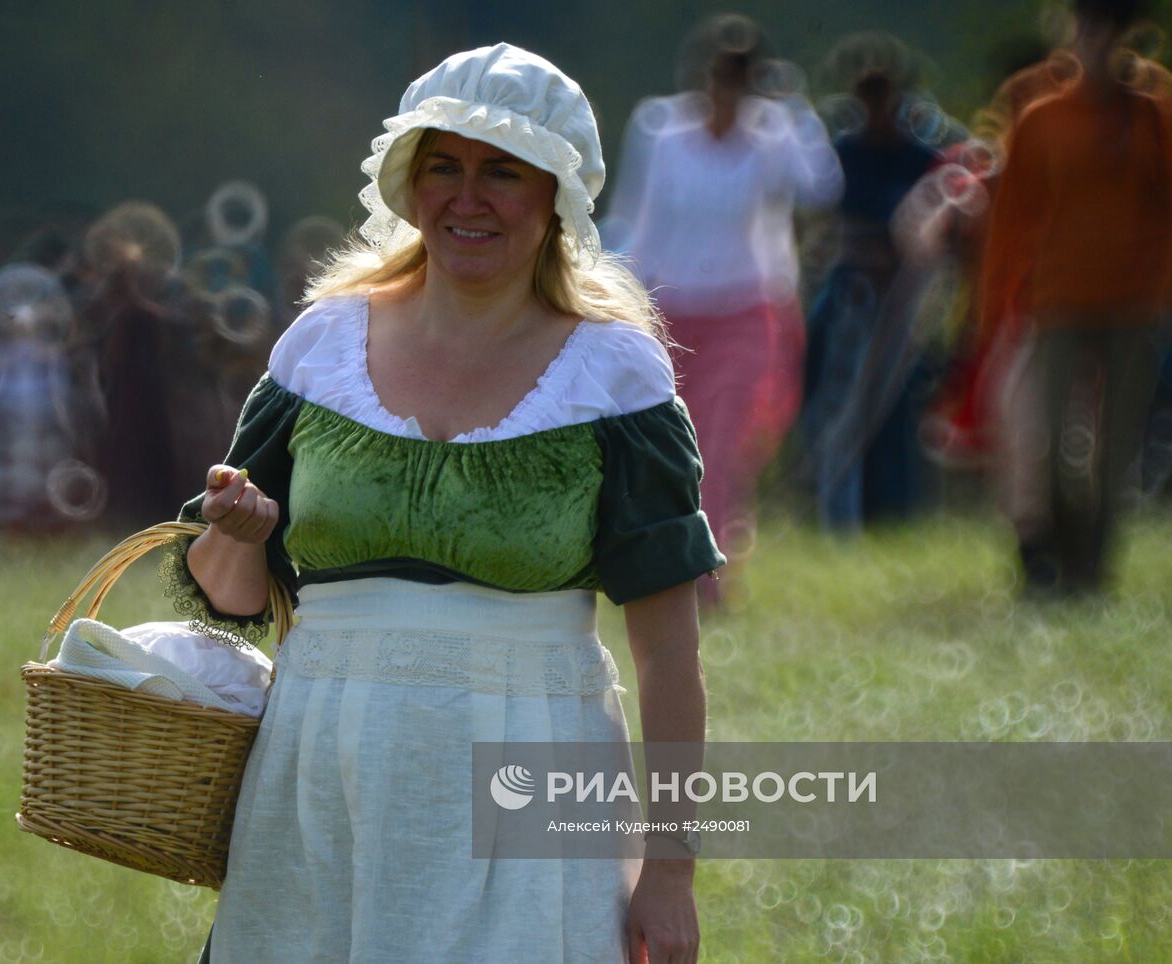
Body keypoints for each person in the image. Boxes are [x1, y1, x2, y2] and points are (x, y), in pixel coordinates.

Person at [161, 43, 725, 962]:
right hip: (325, 770)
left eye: (502, 172)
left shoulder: (614, 376)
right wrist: (241, 535)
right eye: (444, 168)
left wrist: (668, 872)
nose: (468, 198)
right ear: (407, 184)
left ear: (557, 198)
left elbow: (667, 651)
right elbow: (227, 593)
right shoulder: (321, 349)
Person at [604, 14, 841, 601]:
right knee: (672, 439)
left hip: (745, 307)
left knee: (725, 438)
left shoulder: (772, 133)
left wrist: (797, 105)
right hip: (674, 309)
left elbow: (823, 187)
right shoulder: (660, 129)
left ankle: (710, 570)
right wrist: (616, 296)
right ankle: (663, 553)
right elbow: (636, 217)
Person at [979, 0, 1172, 595]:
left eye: (1107, 28)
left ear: (1124, 35)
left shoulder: (1154, 113)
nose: (1094, 39)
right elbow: (1010, 220)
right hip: (1058, 301)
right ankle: (1056, 559)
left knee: (1114, 455)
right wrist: (991, 311)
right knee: (1049, 442)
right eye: (1086, 26)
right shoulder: (1042, 118)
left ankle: (1091, 575)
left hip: (1134, 305)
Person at [803, 35, 943, 530]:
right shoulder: (845, 153)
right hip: (853, 291)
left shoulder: (921, 156)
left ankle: (898, 513)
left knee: (903, 404)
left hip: (903, 298)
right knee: (822, 372)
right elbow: (834, 223)